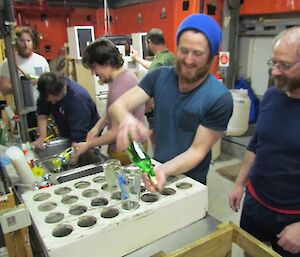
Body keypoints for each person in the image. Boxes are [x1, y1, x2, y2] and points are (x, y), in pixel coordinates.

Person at [109, 14, 233, 190]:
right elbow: (117, 106)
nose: (188, 60)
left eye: (197, 54)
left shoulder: (219, 98)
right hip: (158, 168)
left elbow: (197, 151)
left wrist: (164, 170)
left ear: (211, 56)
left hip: (190, 182)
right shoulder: (159, 76)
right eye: (184, 50)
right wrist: (125, 119)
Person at [229, 26, 300, 257]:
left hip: (293, 220)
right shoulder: (272, 95)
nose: (275, 72)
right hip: (255, 204)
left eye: (285, 66)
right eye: (274, 62)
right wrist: (240, 183)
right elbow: (257, 145)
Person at [71, 38, 145, 165]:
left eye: (94, 67)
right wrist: (96, 128)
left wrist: (88, 145)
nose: (92, 73)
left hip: (127, 152)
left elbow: (116, 132)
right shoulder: (121, 78)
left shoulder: (120, 86)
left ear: (107, 61)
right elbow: (112, 111)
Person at [0, 27, 50, 133]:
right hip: (22, 111)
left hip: (43, 108)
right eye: (22, 41)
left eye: (28, 41)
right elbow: (4, 88)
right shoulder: (8, 63)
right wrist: (24, 85)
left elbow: (49, 84)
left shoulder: (41, 61)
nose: (25, 44)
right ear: (16, 42)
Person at [131, 28, 174, 148]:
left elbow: (149, 93)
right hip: (172, 109)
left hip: (159, 112)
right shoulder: (169, 57)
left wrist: (148, 113)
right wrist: (138, 59)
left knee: (158, 145)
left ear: (149, 42)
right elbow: (153, 66)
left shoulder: (157, 63)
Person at [32, 71, 99, 149]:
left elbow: (79, 138)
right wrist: (42, 136)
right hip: (67, 133)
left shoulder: (78, 100)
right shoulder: (47, 88)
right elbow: (42, 112)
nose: (53, 103)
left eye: (56, 101)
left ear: (64, 87)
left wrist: (74, 156)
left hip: (87, 137)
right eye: (50, 101)